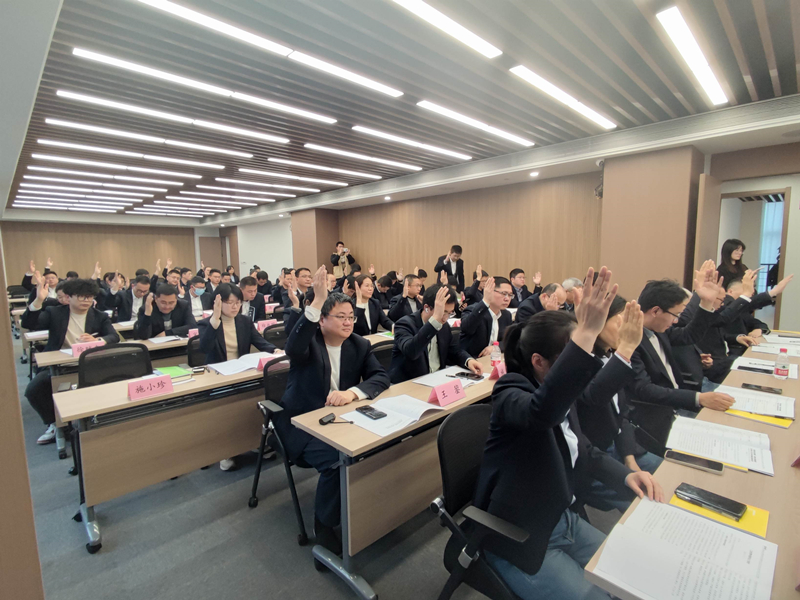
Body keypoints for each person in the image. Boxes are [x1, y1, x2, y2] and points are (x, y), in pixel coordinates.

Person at [473, 267, 662, 600]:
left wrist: (625, 475)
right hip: (521, 535)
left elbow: (582, 448)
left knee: (631, 579)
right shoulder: (510, 390)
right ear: (539, 362)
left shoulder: (560, 392)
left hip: (561, 518)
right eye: (573, 354)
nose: (581, 366)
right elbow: (541, 413)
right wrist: (587, 331)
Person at [276, 266, 390, 556]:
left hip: (342, 420)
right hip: (303, 427)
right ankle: (324, 524)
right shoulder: (309, 344)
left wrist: (352, 393)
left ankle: (363, 510)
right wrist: (316, 300)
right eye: (341, 317)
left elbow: (380, 377)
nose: (348, 322)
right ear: (322, 319)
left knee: (379, 447)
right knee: (339, 460)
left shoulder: (359, 344)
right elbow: (292, 347)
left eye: (351, 317)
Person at [628, 262, 735, 447]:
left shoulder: (659, 329)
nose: (676, 321)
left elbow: (689, 335)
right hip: (657, 418)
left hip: (679, 405)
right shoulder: (630, 340)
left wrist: (706, 303)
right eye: (675, 315)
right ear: (655, 311)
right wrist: (698, 398)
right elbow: (645, 390)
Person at [578, 296, 664, 512]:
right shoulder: (581, 363)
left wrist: (629, 458)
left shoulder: (610, 357)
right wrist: (626, 348)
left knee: (669, 473)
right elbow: (593, 398)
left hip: (619, 446)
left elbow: (621, 413)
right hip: (594, 458)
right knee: (653, 503)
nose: (626, 330)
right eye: (620, 321)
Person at [22, 278, 120, 444]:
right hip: (59, 364)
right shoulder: (55, 313)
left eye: (89, 297)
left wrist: (98, 340)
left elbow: (113, 336)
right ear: (69, 297)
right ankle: (55, 424)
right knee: (34, 390)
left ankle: (97, 419)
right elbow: (29, 323)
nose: (86, 300)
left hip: (88, 364)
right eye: (81, 296)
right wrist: (38, 300)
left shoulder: (99, 316)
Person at [389, 284, 483, 384]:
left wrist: (468, 361)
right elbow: (412, 352)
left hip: (437, 379)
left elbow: (454, 351)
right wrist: (434, 321)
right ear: (426, 307)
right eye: (443, 312)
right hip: (410, 383)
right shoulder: (404, 324)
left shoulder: (444, 326)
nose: (445, 318)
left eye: (449, 313)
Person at [458, 276, 513, 358]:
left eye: (510, 295)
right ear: (490, 291)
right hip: (473, 360)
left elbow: (509, 341)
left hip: (494, 359)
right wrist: (486, 301)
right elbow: (467, 329)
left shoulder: (506, 315)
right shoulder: (473, 310)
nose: (507, 299)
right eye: (504, 294)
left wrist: (496, 347)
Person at [132, 284, 197, 339]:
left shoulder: (183, 306)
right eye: (163, 302)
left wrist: (167, 333)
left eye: (171, 303)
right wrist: (147, 314)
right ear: (156, 299)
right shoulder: (146, 309)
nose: (167, 307)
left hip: (179, 346)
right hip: (155, 347)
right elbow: (143, 336)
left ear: (176, 300)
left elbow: (192, 326)